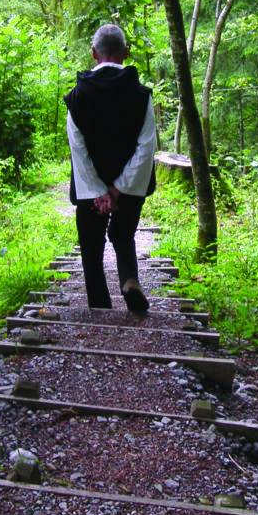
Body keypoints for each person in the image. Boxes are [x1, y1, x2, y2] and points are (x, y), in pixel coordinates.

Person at [64, 24, 156, 314]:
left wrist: (100, 191)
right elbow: (146, 147)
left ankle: (100, 306)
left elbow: (78, 149)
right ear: (126, 53)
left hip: (90, 191)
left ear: (94, 53)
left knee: (91, 245)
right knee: (123, 233)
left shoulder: (77, 96)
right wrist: (118, 189)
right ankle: (129, 279)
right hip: (130, 189)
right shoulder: (142, 96)